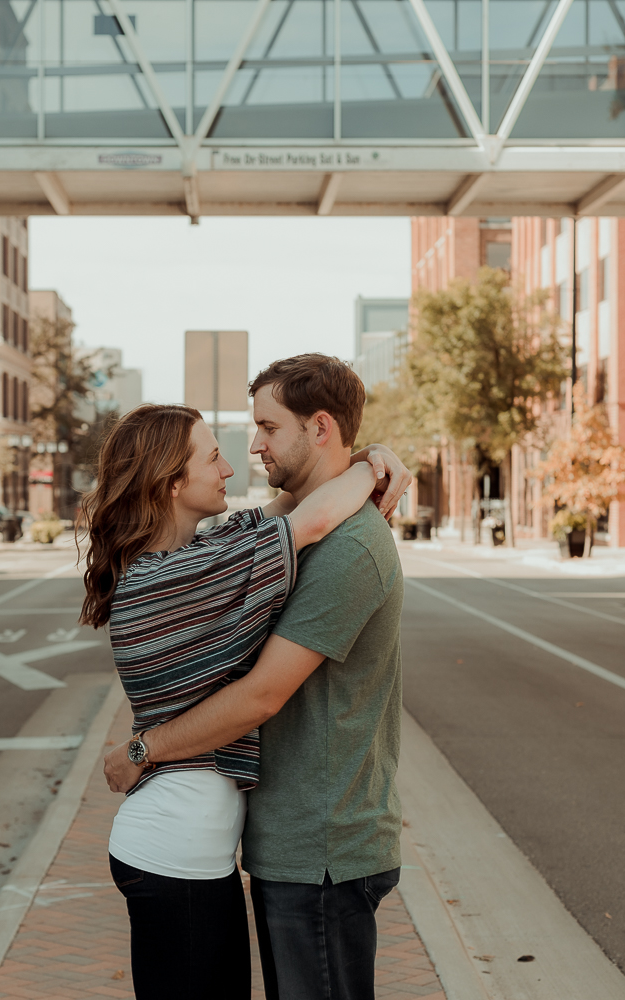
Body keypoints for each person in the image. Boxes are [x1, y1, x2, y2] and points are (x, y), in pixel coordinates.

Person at [78, 401, 410, 1000]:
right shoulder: (178, 576)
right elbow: (311, 520)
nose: (230, 467)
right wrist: (368, 470)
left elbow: (293, 505)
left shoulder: (205, 553)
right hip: (174, 852)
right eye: (213, 458)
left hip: (193, 853)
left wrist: (368, 457)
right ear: (171, 482)